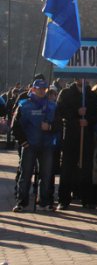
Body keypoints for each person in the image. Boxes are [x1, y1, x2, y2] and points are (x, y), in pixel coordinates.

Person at [11, 79, 58, 211]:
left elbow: (59, 125)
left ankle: (44, 202)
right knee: (25, 174)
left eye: (44, 89)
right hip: (29, 145)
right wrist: (23, 141)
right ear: (33, 89)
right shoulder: (24, 105)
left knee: (47, 175)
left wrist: (49, 127)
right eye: (39, 89)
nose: (41, 91)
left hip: (47, 145)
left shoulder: (52, 106)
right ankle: (21, 202)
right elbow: (15, 126)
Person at [56, 79, 97, 210]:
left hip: (87, 136)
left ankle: (87, 199)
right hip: (70, 136)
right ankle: (63, 200)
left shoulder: (91, 95)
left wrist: (88, 120)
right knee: (67, 169)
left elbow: (96, 114)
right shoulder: (66, 93)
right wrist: (77, 115)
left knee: (87, 169)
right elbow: (60, 112)